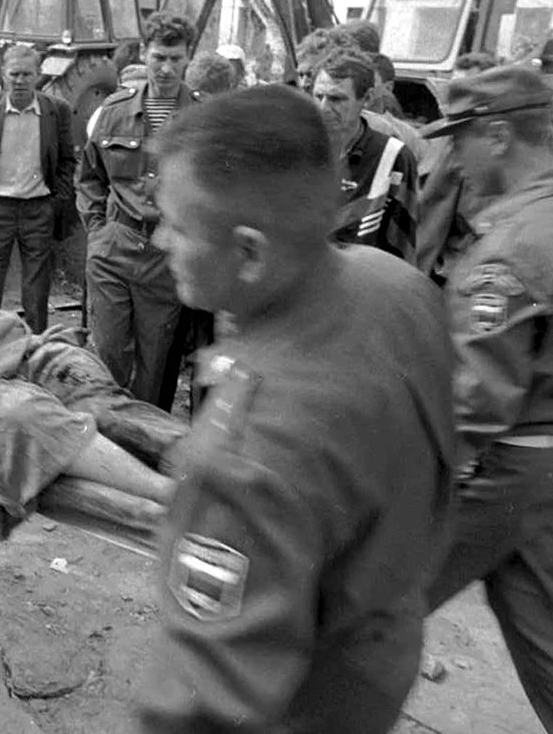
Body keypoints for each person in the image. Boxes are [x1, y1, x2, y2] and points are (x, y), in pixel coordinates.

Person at [138, 84, 454, 733]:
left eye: (178, 224)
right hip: (383, 644)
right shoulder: (395, 286)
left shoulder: (250, 452)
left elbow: (204, 704)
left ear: (250, 252)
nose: (160, 240)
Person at [419, 64, 553, 730]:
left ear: (498, 135)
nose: (452, 157)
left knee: (366, 602)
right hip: (538, 473)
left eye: (461, 137)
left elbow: (477, 403)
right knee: (540, 634)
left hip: (508, 467)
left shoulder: (508, 252)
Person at [75, 15, 201, 410]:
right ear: (144, 53)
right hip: (114, 247)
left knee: (154, 367)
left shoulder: (204, 121)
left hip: (167, 257)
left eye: (175, 59)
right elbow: (90, 178)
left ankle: (144, 446)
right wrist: (97, 231)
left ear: (188, 59)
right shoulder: (112, 112)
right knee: (109, 353)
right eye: (158, 57)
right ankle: (111, 435)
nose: (165, 68)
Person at [0, 44, 75, 334]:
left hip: (38, 209)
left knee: (36, 290)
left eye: (27, 74)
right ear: (3, 75)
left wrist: (55, 203)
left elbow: (65, 161)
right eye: (14, 74)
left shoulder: (56, 111)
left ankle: (35, 349)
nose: (20, 80)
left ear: (38, 76)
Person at [312, 47, 419, 262]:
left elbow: (402, 252)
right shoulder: (294, 149)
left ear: (367, 98)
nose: (323, 108)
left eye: (336, 99)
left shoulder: (392, 158)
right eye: (318, 96)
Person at [415, 51, 502, 284]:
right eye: (453, 88)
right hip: (439, 274)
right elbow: (429, 219)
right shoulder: (432, 138)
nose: (454, 98)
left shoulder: (484, 147)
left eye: (466, 90)